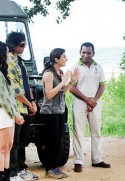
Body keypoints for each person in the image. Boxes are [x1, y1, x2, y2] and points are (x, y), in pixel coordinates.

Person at [70, 42, 110, 173]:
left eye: (88, 52)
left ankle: (97, 159)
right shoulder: (75, 67)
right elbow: (71, 88)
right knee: (78, 132)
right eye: (83, 52)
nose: (86, 55)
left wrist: (94, 100)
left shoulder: (98, 67)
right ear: (80, 52)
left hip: (95, 103)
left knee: (96, 131)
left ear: (93, 53)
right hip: (80, 103)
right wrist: (87, 100)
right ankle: (78, 161)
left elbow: (102, 85)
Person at [40, 48, 78, 179]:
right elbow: (49, 94)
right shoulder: (48, 74)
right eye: (64, 57)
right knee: (52, 140)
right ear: (56, 59)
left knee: (59, 139)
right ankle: (49, 168)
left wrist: (71, 81)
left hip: (60, 109)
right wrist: (63, 82)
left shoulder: (59, 72)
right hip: (50, 111)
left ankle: (54, 167)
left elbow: (63, 91)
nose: (66, 59)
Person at [6, 32, 38, 181]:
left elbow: (26, 85)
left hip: (24, 106)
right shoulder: (9, 61)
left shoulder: (21, 62)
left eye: (24, 44)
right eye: (21, 44)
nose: (24, 47)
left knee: (23, 140)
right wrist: (28, 103)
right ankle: (13, 172)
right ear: (13, 45)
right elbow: (16, 90)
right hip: (16, 107)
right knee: (14, 142)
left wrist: (32, 102)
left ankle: (21, 168)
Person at [0, 41, 24, 181]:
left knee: (8, 146)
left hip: (8, 114)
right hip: (3, 113)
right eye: (6, 52)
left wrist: (16, 113)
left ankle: (6, 173)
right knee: (2, 147)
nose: (8, 55)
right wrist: (15, 113)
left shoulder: (3, 72)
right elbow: (4, 98)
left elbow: (10, 96)